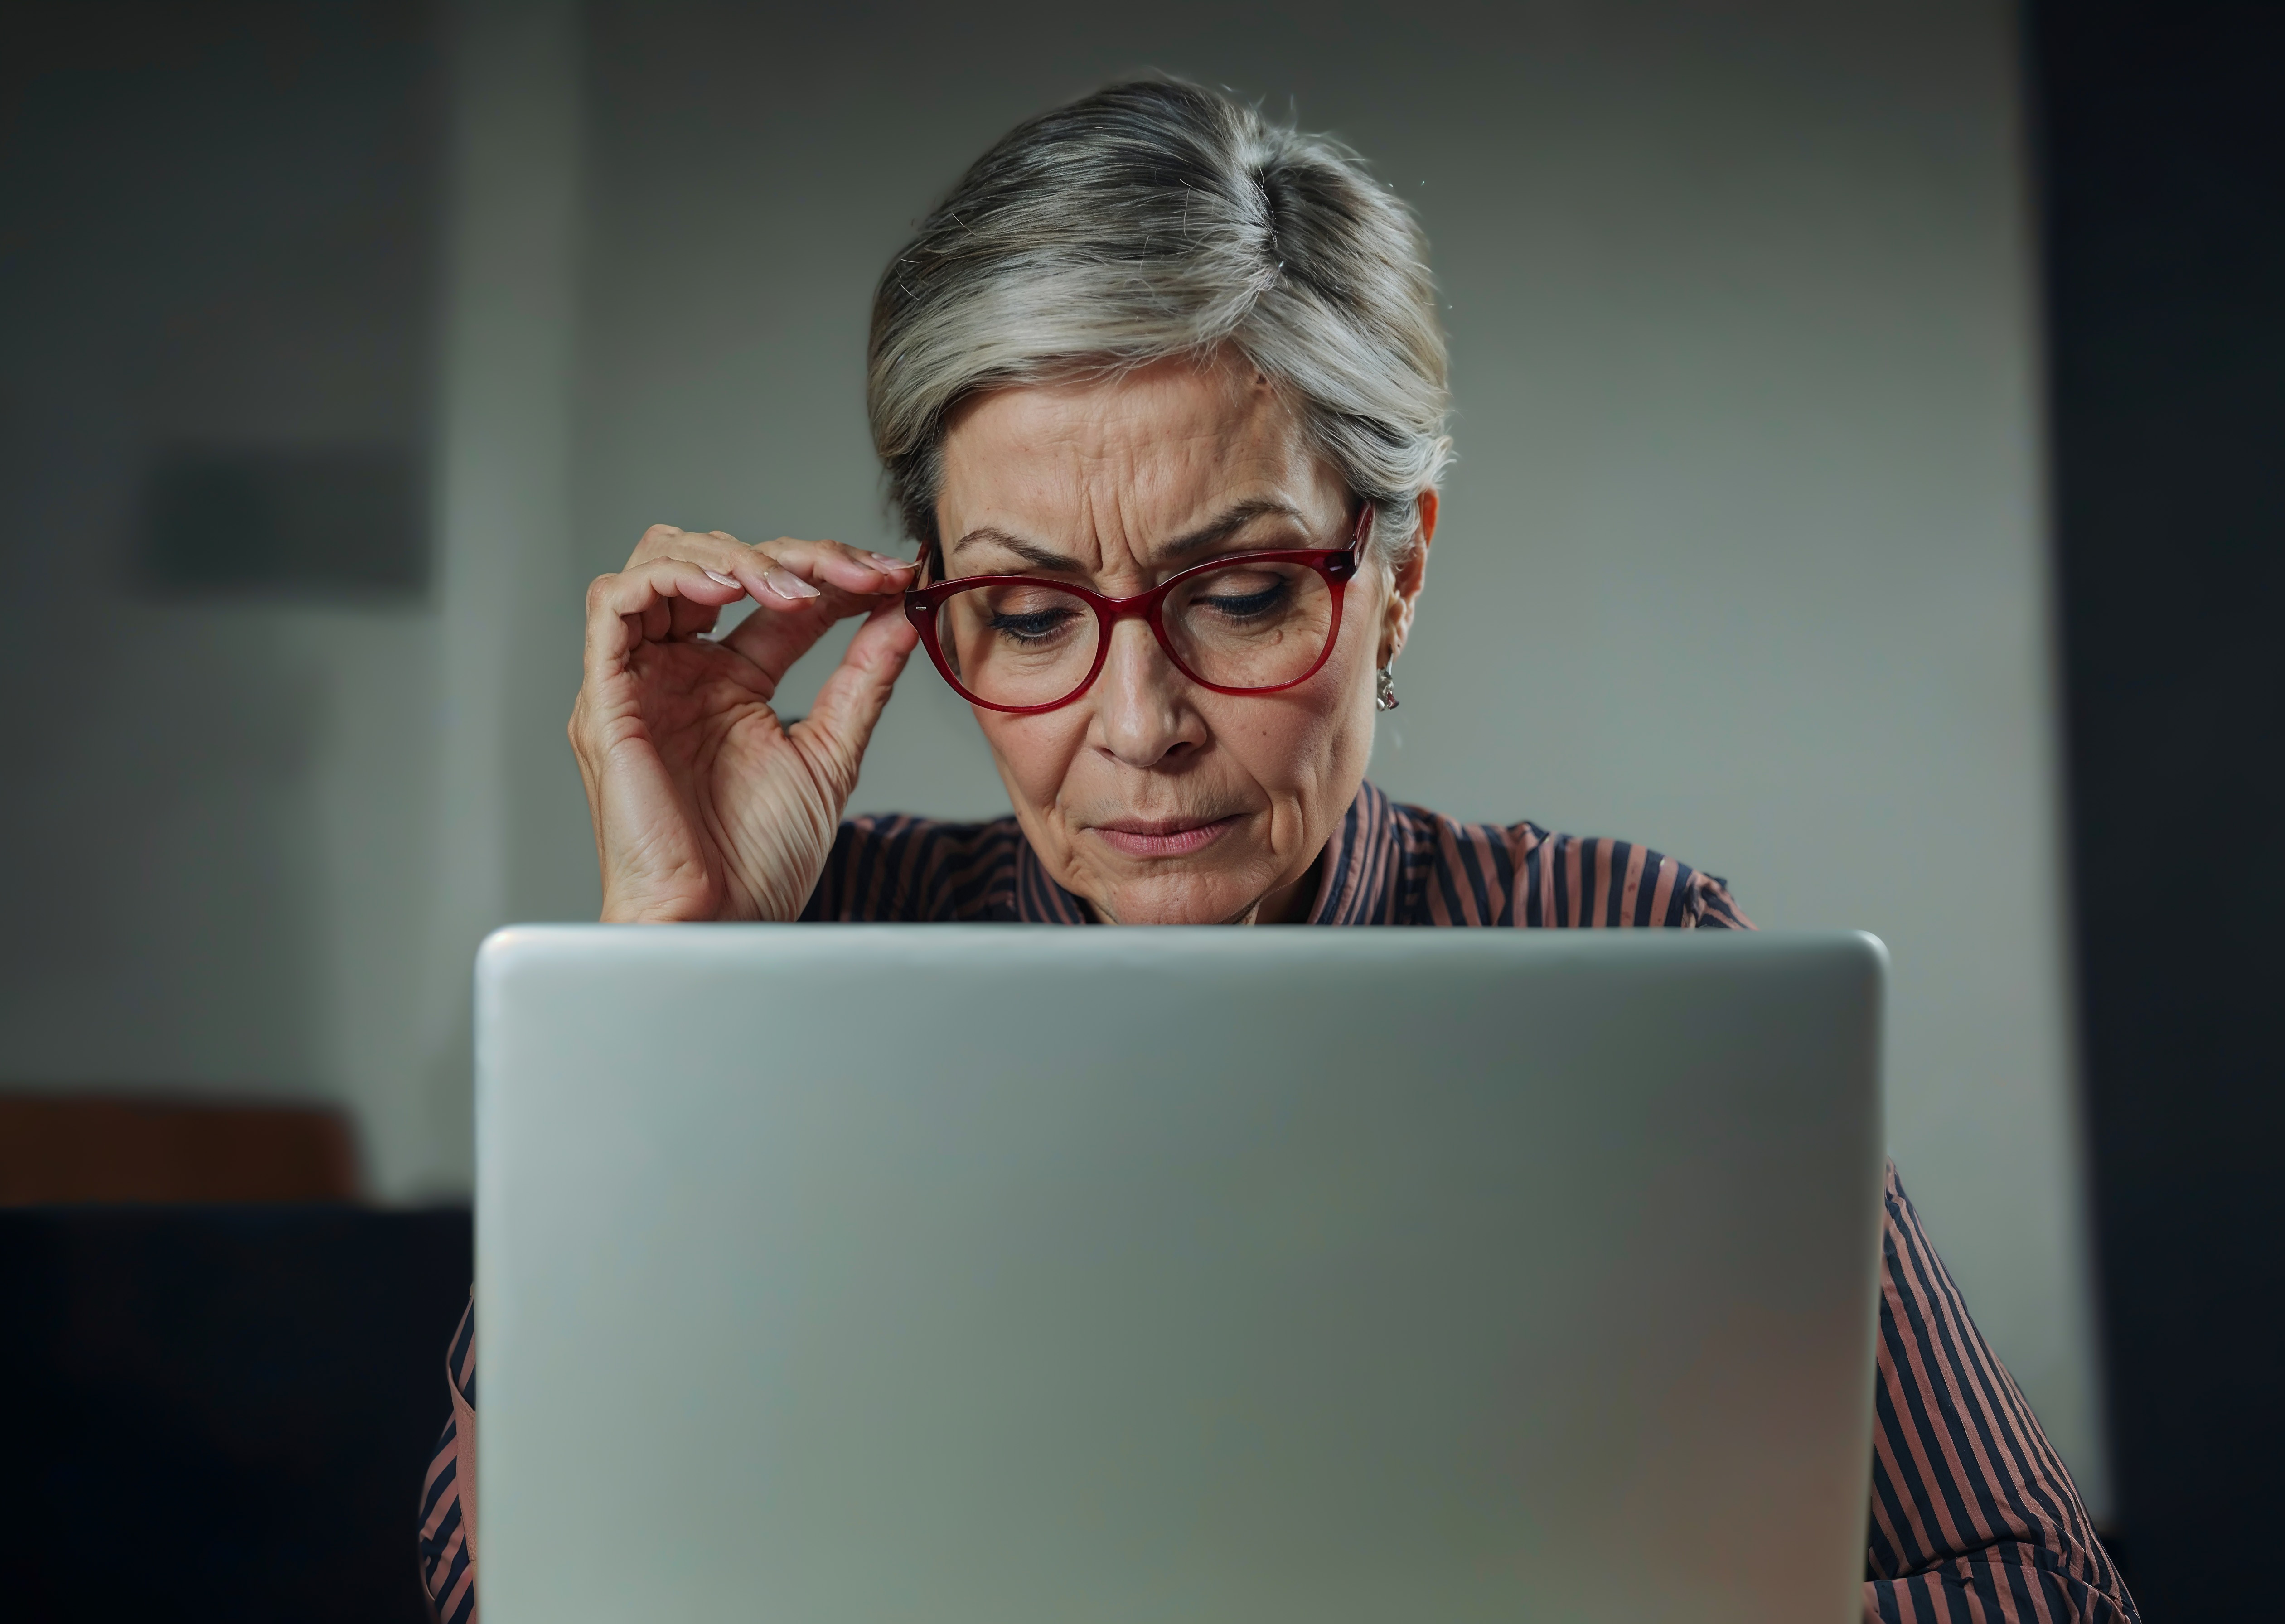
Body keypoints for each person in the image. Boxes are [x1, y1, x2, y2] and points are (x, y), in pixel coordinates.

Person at [418, 79, 2136, 1624]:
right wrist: (671, 957)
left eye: (1240, 596)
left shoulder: (1629, 946)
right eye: (1024, 616)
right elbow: (501, 1587)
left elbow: (2046, 1598)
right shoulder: (768, 969)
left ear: (1400, 572)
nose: (1142, 721)